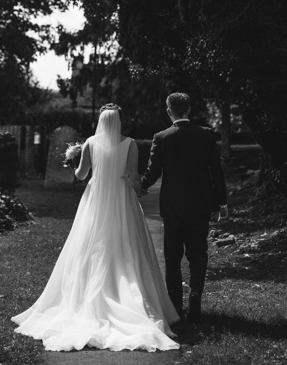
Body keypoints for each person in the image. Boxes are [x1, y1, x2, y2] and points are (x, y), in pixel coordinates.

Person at [12, 103, 180, 351]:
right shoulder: (130, 143)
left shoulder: (90, 142)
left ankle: (85, 300)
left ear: (101, 121)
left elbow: (81, 175)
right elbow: (133, 176)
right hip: (122, 200)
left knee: (90, 246)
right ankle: (129, 298)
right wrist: (140, 190)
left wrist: (74, 161)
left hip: (96, 199)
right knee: (126, 246)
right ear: (119, 121)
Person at [141, 92, 228, 324]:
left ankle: (176, 307)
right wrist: (222, 202)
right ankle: (196, 296)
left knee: (172, 256)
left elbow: (153, 172)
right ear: (189, 110)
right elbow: (216, 171)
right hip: (200, 205)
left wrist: (137, 187)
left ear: (169, 111)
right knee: (198, 253)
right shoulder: (207, 135)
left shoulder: (161, 137)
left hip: (173, 207)